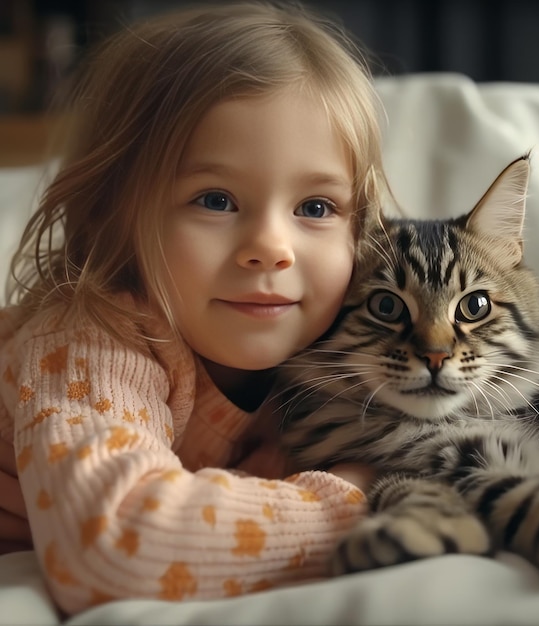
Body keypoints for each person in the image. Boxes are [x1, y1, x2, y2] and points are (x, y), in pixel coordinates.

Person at [0, 0, 390, 616]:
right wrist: (359, 500)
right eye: (215, 199)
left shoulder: (349, 358)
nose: (271, 249)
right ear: (112, 216)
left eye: (316, 208)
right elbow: (117, 548)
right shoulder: (92, 335)